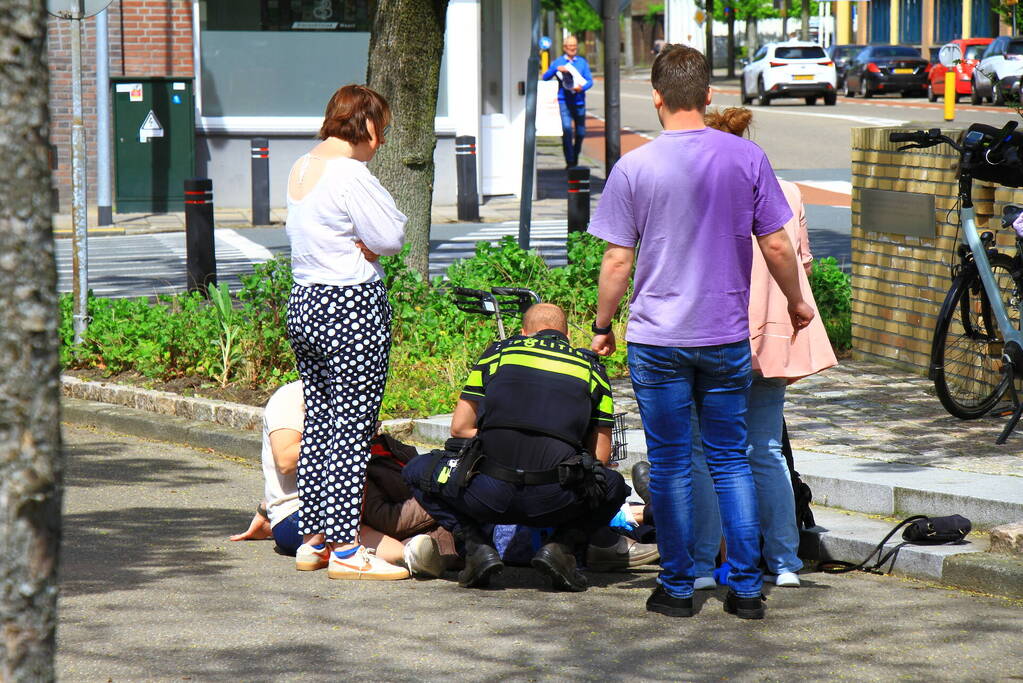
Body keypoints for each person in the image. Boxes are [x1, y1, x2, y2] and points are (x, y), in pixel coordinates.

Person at [587, 44, 814, 620]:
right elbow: (778, 244)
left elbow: (617, 261)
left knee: (670, 464)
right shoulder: (746, 158)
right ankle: (744, 589)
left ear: (656, 98)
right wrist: (796, 303)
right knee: (731, 458)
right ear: (710, 95)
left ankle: (678, 586)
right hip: (724, 335)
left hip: (659, 339)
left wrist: (602, 325)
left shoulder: (634, 166)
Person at [688, 107, 837, 590]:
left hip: (717, 334)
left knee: (706, 453)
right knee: (765, 450)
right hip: (773, 336)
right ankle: (785, 561)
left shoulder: (703, 189)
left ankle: (704, 563)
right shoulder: (788, 191)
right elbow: (801, 265)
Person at [402, 303, 637, 592]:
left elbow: (460, 428)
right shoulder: (592, 370)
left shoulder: (498, 354)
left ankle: (476, 546)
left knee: (415, 470)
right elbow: (600, 457)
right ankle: (561, 548)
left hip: (486, 494)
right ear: (565, 334)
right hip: (554, 501)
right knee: (614, 485)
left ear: (525, 332)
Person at [285, 84, 407, 580]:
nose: (380, 143)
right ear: (369, 126)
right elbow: (392, 236)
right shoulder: (350, 172)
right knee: (353, 430)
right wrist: (372, 244)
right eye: (382, 130)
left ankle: (312, 540)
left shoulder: (302, 165)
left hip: (305, 302)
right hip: (349, 306)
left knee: (320, 423)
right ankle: (345, 550)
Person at [230, 381, 456, 580]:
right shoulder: (291, 397)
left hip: (349, 500)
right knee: (373, 540)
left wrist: (264, 507)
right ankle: (409, 556)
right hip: (299, 513)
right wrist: (350, 438)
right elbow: (285, 460)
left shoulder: (348, 396)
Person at [541, 35, 593, 168]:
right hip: (564, 101)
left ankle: (575, 157)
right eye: (570, 46)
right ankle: (570, 162)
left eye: (575, 46)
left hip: (579, 101)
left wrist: (581, 88)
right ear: (565, 48)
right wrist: (555, 69)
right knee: (567, 129)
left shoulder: (582, 62)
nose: (573, 49)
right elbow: (545, 77)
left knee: (580, 132)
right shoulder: (558, 62)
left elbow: (590, 81)